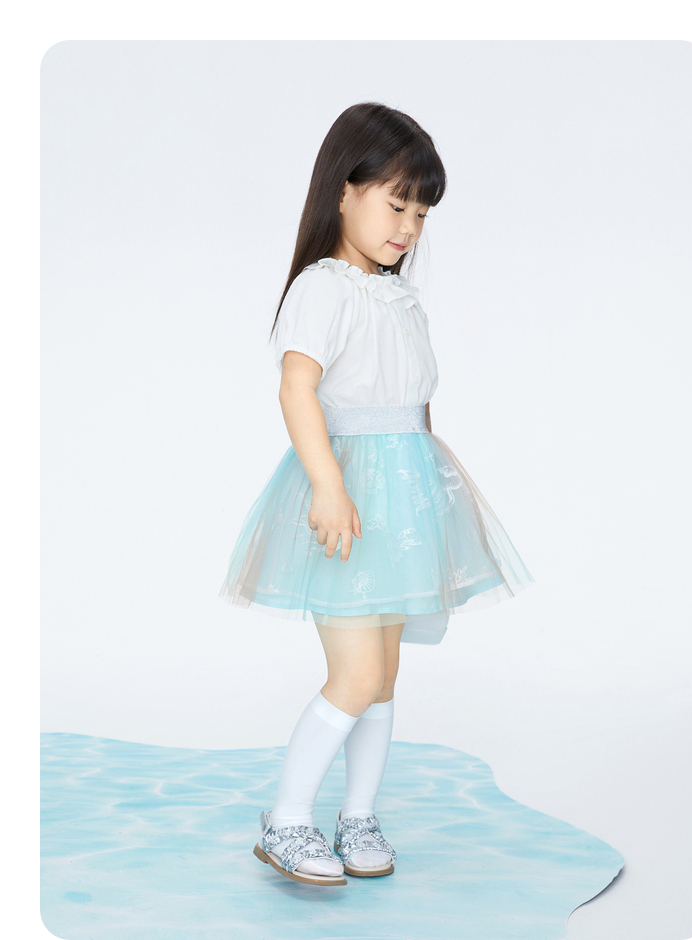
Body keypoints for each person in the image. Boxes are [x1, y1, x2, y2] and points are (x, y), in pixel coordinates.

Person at [219, 102, 535, 886]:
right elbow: (297, 389)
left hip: (404, 502)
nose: (409, 227)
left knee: (385, 677)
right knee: (356, 674)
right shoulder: (325, 288)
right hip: (351, 501)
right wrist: (329, 485)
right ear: (343, 190)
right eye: (397, 204)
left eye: (421, 213)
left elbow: (413, 403)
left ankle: (356, 814)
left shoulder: (397, 295)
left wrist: (436, 488)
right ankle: (287, 817)